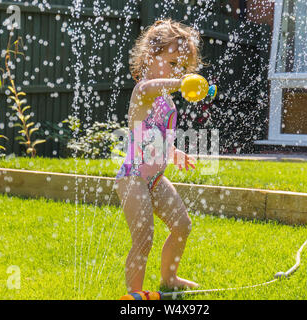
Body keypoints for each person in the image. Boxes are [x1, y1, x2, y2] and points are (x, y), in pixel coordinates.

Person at [114, 19, 202, 293]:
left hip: (155, 179)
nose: (179, 72)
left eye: (183, 67)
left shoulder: (169, 102)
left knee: (182, 225)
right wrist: (180, 82)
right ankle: (134, 295)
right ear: (150, 57)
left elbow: (158, 137)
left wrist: (174, 153)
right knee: (144, 236)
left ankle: (169, 278)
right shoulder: (143, 92)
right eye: (173, 63)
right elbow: (146, 90)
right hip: (133, 178)